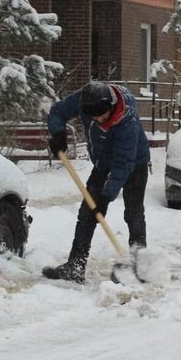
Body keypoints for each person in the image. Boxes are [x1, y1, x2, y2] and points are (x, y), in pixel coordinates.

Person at [42, 81, 151, 283]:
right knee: (87, 213)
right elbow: (58, 111)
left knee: (133, 213)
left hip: (134, 163)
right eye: (94, 117)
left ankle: (138, 266)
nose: (99, 120)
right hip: (102, 163)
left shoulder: (127, 120)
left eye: (103, 116)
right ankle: (75, 266)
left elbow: (123, 164)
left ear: (110, 106)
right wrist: (58, 133)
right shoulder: (85, 100)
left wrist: (106, 195)